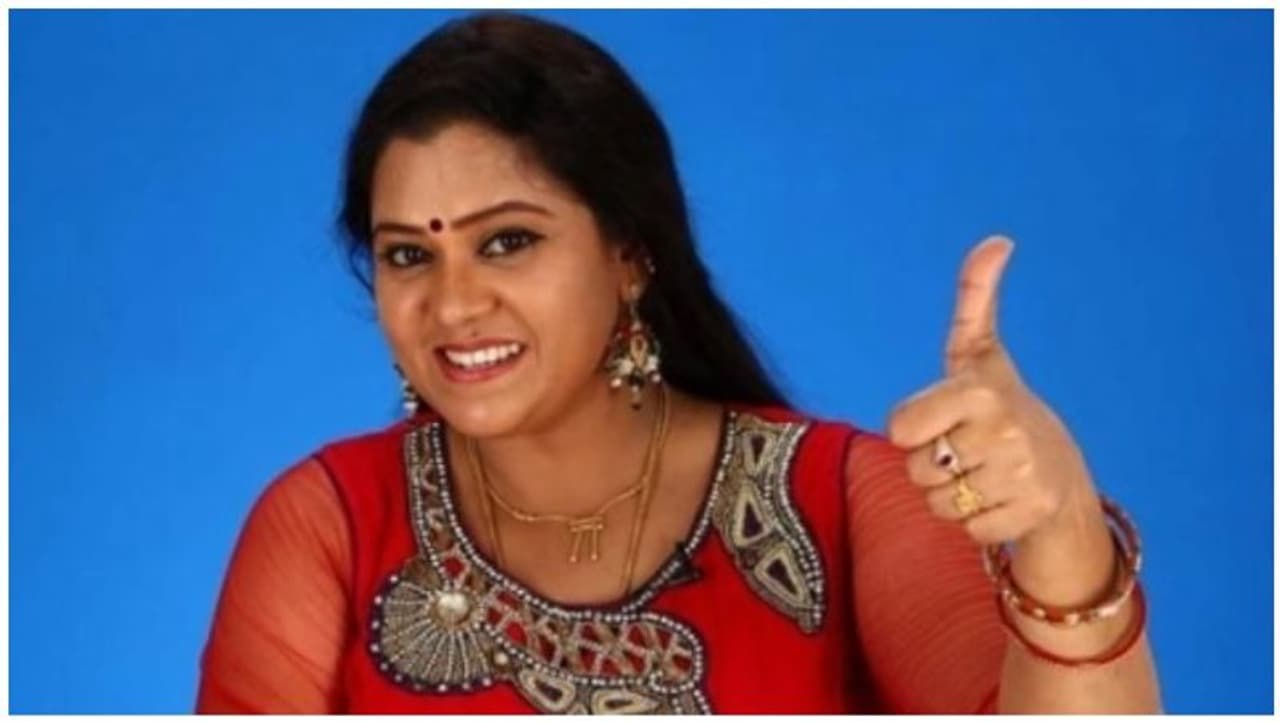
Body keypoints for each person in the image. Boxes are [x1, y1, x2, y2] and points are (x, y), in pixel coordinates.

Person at [195, 11, 1161, 714]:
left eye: (508, 242)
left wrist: (1063, 532)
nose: (451, 304)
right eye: (409, 255)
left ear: (629, 253)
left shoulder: (842, 504)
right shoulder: (329, 531)